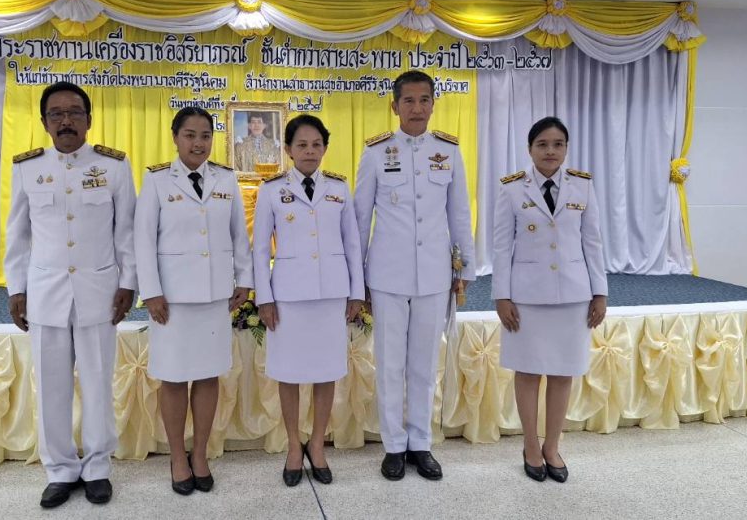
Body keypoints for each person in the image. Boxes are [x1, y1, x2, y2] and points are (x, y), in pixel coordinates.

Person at [5, 81, 137, 508]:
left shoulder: (113, 166)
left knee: (98, 383)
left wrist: (128, 282)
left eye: (74, 112)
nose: (66, 121)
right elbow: (17, 234)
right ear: (45, 122)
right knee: (51, 387)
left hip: (99, 291)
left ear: (89, 120)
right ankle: (60, 470)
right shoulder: (28, 167)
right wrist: (16, 288)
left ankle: (97, 467)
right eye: (57, 114)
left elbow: (126, 231)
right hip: (45, 292)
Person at [354, 69, 475, 482]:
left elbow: (459, 213)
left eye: (424, 100)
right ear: (395, 106)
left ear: (433, 104)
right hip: (387, 275)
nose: (417, 108)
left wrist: (464, 268)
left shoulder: (448, 151)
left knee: (424, 364)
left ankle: (421, 443)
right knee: (390, 364)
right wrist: (357, 279)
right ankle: (393, 445)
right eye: (409, 100)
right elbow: (360, 220)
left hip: (435, 275)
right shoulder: (376, 152)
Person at [134, 106, 252, 496]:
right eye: (190, 135)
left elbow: (239, 235)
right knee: (172, 377)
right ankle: (177, 457)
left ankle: (199, 454)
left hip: (215, 295)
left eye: (205, 136)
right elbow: (143, 240)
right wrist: (151, 291)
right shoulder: (156, 180)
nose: (198, 143)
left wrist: (244, 280)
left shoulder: (226, 178)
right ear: (175, 137)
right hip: (171, 300)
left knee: (207, 375)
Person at [492, 116, 607, 484]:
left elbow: (593, 242)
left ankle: (553, 446)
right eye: (542, 144)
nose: (550, 151)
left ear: (566, 148)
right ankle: (530, 445)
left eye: (558, 144)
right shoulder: (512, 189)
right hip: (526, 297)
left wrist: (600, 292)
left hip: (573, 295)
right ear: (530, 149)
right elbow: (501, 247)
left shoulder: (582, 186)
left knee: (562, 373)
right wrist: (501, 295)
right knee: (527, 372)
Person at [253, 115, 365, 487]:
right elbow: (259, 249)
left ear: (325, 148)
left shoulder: (339, 188)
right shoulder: (271, 190)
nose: (309, 151)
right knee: (288, 373)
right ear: (288, 149)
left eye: (316, 144)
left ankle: (317, 445)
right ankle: (293, 446)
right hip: (288, 296)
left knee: (325, 371)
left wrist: (356, 292)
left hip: (331, 294)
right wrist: (264, 297)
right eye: (301, 145)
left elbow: (352, 243)